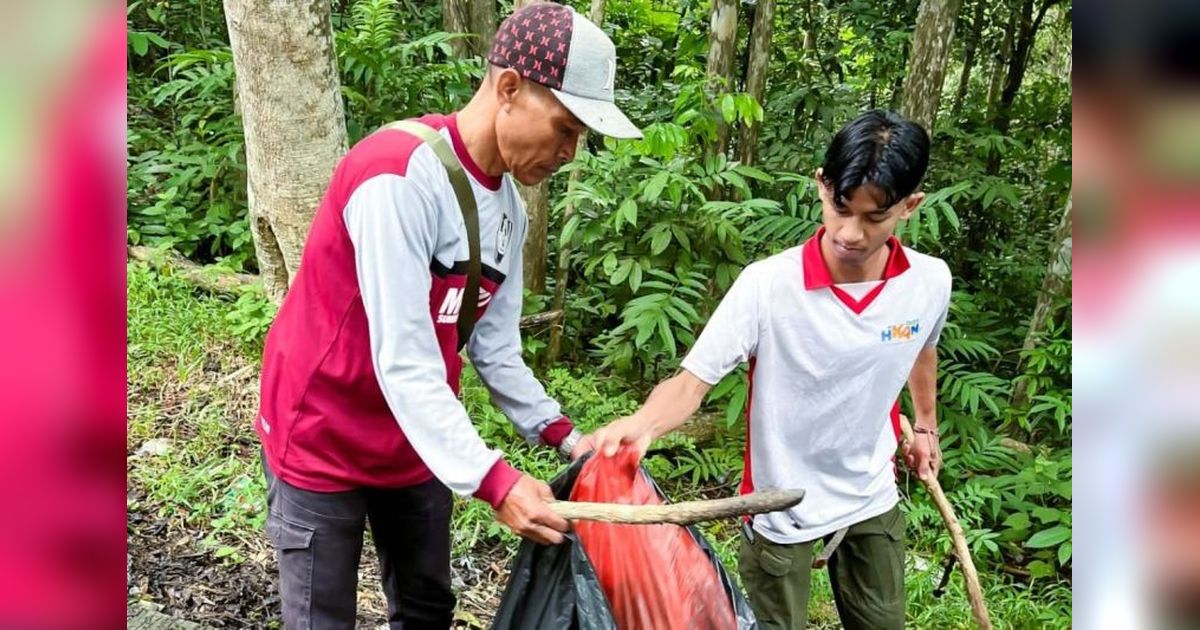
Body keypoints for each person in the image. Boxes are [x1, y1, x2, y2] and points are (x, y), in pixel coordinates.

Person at [255, 3, 641, 627]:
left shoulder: (510, 210)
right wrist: (498, 483)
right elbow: (403, 361)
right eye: (565, 127)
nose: (571, 151)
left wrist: (568, 440)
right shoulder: (398, 178)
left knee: (427, 605)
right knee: (321, 615)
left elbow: (494, 347)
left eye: (580, 138)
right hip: (323, 430)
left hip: (416, 437)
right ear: (509, 87)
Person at [591, 109, 949, 629]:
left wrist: (924, 425)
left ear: (909, 206)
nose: (850, 233)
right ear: (822, 186)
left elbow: (921, 346)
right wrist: (642, 425)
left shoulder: (929, 281)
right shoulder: (767, 286)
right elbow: (693, 381)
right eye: (839, 207)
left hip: (871, 492)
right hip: (781, 506)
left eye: (874, 218)